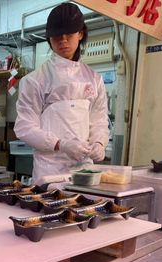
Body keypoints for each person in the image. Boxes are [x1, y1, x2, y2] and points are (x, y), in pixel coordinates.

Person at [14, 3, 110, 184]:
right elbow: (24, 127)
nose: (63, 39)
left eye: (69, 33)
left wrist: (99, 142)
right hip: (49, 169)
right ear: (49, 38)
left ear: (80, 33)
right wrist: (61, 145)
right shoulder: (35, 80)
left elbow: (99, 120)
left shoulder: (94, 79)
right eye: (57, 34)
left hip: (84, 169)